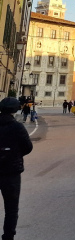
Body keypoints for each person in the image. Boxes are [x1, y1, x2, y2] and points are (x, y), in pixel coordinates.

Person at [0, 97, 34, 240]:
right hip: (11, 172)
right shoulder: (17, 127)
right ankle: (8, 237)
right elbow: (28, 147)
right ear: (15, 109)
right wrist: (14, 154)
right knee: (11, 208)